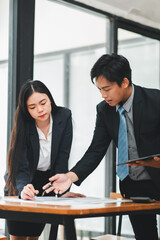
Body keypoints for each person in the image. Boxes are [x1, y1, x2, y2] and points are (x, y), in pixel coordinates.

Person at [43, 54, 160, 240]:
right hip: (134, 186)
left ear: (124, 82)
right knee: (146, 237)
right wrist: (70, 177)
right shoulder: (104, 110)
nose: (103, 95)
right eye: (99, 90)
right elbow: (96, 150)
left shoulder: (155, 100)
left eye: (107, 89)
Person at [5, 80, 84, 240]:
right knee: (18, 236)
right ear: (26, 110)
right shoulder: (24, 123)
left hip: (43, 182)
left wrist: (62, 191)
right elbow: (20, 165)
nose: (40, 110)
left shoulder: (64, 116)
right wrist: (23, 189)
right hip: (20, 182)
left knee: (34, 235)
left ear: (50, 99)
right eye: (32, 107)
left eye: (43, 103)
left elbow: (63, 156)